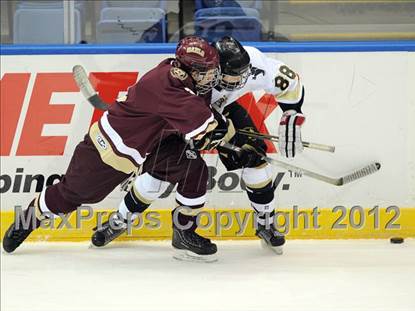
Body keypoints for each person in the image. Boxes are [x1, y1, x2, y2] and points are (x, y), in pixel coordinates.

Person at [2, 36, 225, 261]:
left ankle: (184, 233)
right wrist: (217, 130)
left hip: (153, 144)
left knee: (193, 170)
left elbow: (195, 114)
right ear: (192, 69)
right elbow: (202, 123)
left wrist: (213, 129)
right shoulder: (167, 86)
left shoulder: (177, 72)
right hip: (108, 151)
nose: (212, 75)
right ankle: (28, 220)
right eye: (208, 70)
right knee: (72, 195)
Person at [92, 36, 305, 255]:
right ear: (213, 70)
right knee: (159, 176)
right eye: (230, 78)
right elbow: (179, 110)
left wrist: (292, 112)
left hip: (222, 111)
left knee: (256, 160)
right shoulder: (192, 76)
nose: (237, 83)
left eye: (241, 77)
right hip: (181, 118)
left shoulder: (254, 64)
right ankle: (120, 220)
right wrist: (218, 135)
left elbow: (290, 83)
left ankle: (265, 223)